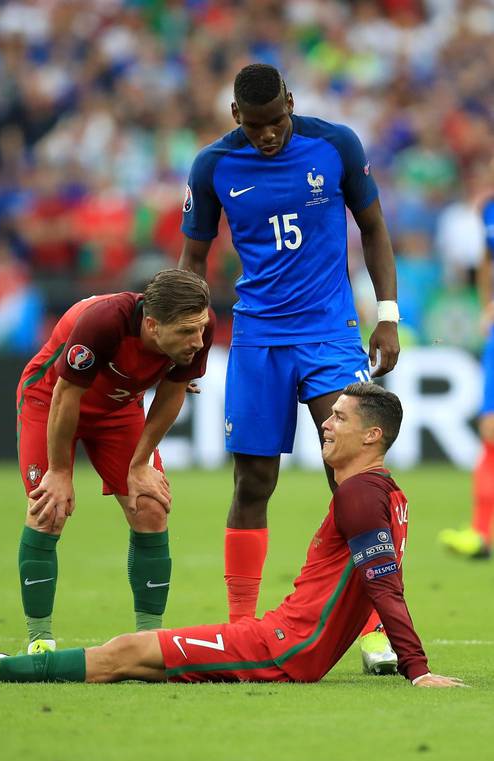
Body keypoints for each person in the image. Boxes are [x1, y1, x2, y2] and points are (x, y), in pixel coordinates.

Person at [0, 383, 463, 689]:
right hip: (285, 641)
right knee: (132, 659)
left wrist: (418, 672)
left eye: (340, 418)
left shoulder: (359, 496)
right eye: (331, 414)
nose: (326, 422)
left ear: (372, 435)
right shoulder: (384, 492)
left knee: (126, 653)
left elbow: (386, 588)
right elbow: (378, 584)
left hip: (283, 648)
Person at [178, 63, 400, 673]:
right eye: (255, 126)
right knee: (253, 482)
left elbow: (374, 228)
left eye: (276, 122)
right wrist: (189, 339)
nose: (268, 135)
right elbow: (192, 259)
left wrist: (387, 314)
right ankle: (240, 626)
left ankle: (374, 628)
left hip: (330, 332)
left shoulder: (335, 145)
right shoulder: (214, 165)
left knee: (352, 476)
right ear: (235, 118)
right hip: (257, 338)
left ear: (291, 105)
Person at [11, 268, 214, 653]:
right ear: (152, 325)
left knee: (151, 507)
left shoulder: (198, 323)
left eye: (201, 329)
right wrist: (59, 471)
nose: (199, 340)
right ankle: (41, 641)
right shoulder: (102, 323)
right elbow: (65, 395)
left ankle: (147, 639)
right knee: (48, 509)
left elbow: (171, 396)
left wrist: (140, 465)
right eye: (188, 332)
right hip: (49, 400)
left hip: (118, 408)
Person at [440, 197, 494, 559]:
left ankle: (481, 531)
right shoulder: (488, 209)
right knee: (489, 429)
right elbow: (487, 261)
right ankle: (480, 531)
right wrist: (487, 303)